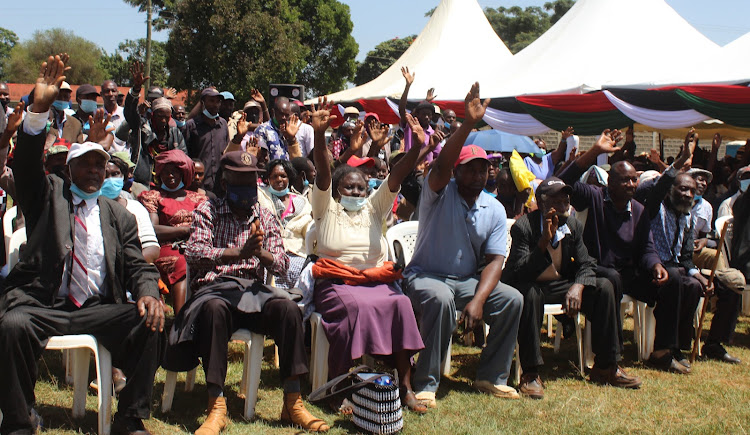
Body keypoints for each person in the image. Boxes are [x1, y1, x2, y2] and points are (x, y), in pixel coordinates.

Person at [0, 55, 164, 435]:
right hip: (45, 304)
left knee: (152, 319)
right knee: (11, 324)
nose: (93, 171)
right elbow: (24, 168)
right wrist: (38, 110)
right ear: (69, 169)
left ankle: (129, 418)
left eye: (99, 166)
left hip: (97, 308)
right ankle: (19, 421)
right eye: (85, 164)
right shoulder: (47, 196)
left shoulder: (118, 215)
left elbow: (138, 264)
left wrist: (147, 291)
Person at [163, 151, 329, 434]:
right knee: (214, 310)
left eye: (251, 184)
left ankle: (293, 401)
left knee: (288, 309)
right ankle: (216, 404)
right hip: (215, 290)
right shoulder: (208, 210)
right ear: (225, 185)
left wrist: (261, 252)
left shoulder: (264, 215)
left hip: (254, 292)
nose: (247, 192)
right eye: (239, 184)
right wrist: (235, 253)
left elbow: (283, 264)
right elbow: (193, 252)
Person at [403, 83, 524, 407]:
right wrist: (469, 124)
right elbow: (440, 166)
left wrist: (479, 300)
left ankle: (491, 376)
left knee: (512, 299)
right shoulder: (439, 192)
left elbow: (497, 260)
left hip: (466, 282)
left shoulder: (495, 208)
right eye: (469, 168)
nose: (477, 174)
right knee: (441, 298)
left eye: (482, 168)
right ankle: (426, 382)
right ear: (457, 172)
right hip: (425, 276)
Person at [308, 98, 428, 413]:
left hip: (375, 281)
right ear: (337, 191)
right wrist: (320, 135)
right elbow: (323, 170)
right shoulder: (327, 208)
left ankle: (405, 385)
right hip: (336, 284)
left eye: (361, 189)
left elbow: (397, 176)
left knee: (401, 303)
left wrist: (415, 148)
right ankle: (340, 387)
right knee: (354, 309)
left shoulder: (374, 208)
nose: (357, 194)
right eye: (349, 188)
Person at [505, 177, 641, 399]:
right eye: (556, 199)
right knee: (529, 294)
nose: (563, 204)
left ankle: (606, 365)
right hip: (532, 283)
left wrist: (578, 286)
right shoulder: (524, 227)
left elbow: (587, 263)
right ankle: (530, 373)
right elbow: (519, 272)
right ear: (541, 202)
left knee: (604, 286)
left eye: (565, 198)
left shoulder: (573, 225)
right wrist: (542, 243)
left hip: (561, 284)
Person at [558, 130, 668, 361]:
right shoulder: (594, 197)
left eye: (634, 179)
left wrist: (656, 264)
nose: (631, 183)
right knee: (612, 279)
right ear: (610, 182)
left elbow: (647, 247)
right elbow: (563, 183)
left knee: (674, 280)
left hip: (625, 273)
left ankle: (665, 349)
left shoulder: (638, 210)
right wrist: (595, 151)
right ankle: (612, 355)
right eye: (624, 179)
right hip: (593, 270)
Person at [638, 131, 711, 372]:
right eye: (682, 189)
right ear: (671, 189)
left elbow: (687, 257)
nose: (687, 194)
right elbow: (659, 187)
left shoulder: (687, 217)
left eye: (691, 191)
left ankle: (677, 346)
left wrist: (698, 274)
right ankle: (661, 351)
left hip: (675, 270)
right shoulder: (655, 207)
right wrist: (682, 160)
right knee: (678, 279)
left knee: (693, 284)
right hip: (649, 269)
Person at [139, 149, 207, 315]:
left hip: (197, 244)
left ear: (183, 173)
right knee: (182, 263)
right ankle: (181, 320)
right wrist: (184, 230)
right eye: (166, 173)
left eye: (174, 172)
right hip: (167, 247)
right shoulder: (154, 196)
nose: (170, 176)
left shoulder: (198, 199)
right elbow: (152, 229)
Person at [124, 62, 187, 187]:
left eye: (166, 117)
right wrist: (136, 89)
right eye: (159, 116)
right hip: (142, 183)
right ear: (152, 114)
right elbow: (129, 112)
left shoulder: (175, 133)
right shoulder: (142, 127)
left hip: (167, 185)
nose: (163, 121)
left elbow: (183, 157)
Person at [258, 159, 313, 289]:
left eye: (283, 176)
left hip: (298, 252)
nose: (279, 180)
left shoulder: (302, 201)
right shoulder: (260, 194)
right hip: (271, 251)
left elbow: (309, 230)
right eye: (274, 176)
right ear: (268, 179)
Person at [103, 155, 160, 264]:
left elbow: (151, 248)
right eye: (105, 175)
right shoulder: (91, 208)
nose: (110, 179)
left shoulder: (135, 207)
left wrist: (131, 268)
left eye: (115, 174)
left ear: (123, 178)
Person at [184, 88, 229, 192]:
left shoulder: (223, 125)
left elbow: (226, 151)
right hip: (199, 184)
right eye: (211, 101)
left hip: (219, 184)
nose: (215, 105)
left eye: (218, 101)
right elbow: (185, 153)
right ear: (203, 102)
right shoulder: (192, 125)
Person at [398, 67, 440, 164]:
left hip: (425, 173)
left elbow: (437, 155)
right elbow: (401, 110)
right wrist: (407, 86)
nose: (426, 117)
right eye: (424, 114)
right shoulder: (410, 126)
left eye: (429, 115)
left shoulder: (433, 133)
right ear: (416, 114)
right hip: (408, 168)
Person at [253, 96, 301, 161]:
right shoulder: (263, 130)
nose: (284, 117)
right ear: (273, 112)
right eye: (281, 114)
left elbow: (296, 159)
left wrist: (291, 138)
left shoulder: (289, 131)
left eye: (286, 115)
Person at [101, 80, 127, 151]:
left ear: (117, 93)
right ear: (101, 94)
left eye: (113, 91)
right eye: (107, 91)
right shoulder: (97, 115)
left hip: (123, 159)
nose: (110, 94)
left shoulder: (125, 114)